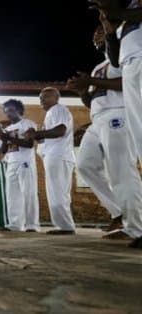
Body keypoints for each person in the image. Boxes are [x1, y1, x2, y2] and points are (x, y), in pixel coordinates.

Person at [67, 23, 142, 245]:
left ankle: (136, 227)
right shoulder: (98, 67)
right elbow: (93, 101)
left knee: (121, 170)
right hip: (97, 119)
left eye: (102, 31)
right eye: (94, 34)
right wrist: (83, 91)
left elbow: (126, 83)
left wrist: (90, 82)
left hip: (119, 115)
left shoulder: (123, 60)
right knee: (84, 165)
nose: (97, 35)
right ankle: (119, 213)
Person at [92, 0, 142, 248]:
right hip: (132, 65)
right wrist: (109, 26)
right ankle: (135, 225)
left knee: (124, 165)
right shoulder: (124, 23)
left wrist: (114, 11)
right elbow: (114, 58)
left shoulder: (132, 11)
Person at [25, 87, 77, 235]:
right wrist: (37, 136)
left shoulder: (58, 109)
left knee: (57, 191)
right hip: (57, 156)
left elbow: (61, 131)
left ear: (56, 98)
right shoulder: (52, 113)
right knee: (59, 191)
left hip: (58, 156)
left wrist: (37, 133)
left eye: (46, 97)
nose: (42, 100)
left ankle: (64, 226)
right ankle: (65, 224)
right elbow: (50, 134)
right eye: (41, 98)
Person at [1, 99, 40, 232]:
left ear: (19, 110)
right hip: (11, 162)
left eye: (11, 110)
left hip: (25, 162)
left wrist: (9, 139)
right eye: (6, 112)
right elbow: (3, 150)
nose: (9, 114)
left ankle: (31, 225)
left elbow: (29, 144)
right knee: (12, 194)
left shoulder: (28, 124)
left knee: (29, 193)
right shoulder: (7, 129)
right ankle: (15, 224)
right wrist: (3, 139)